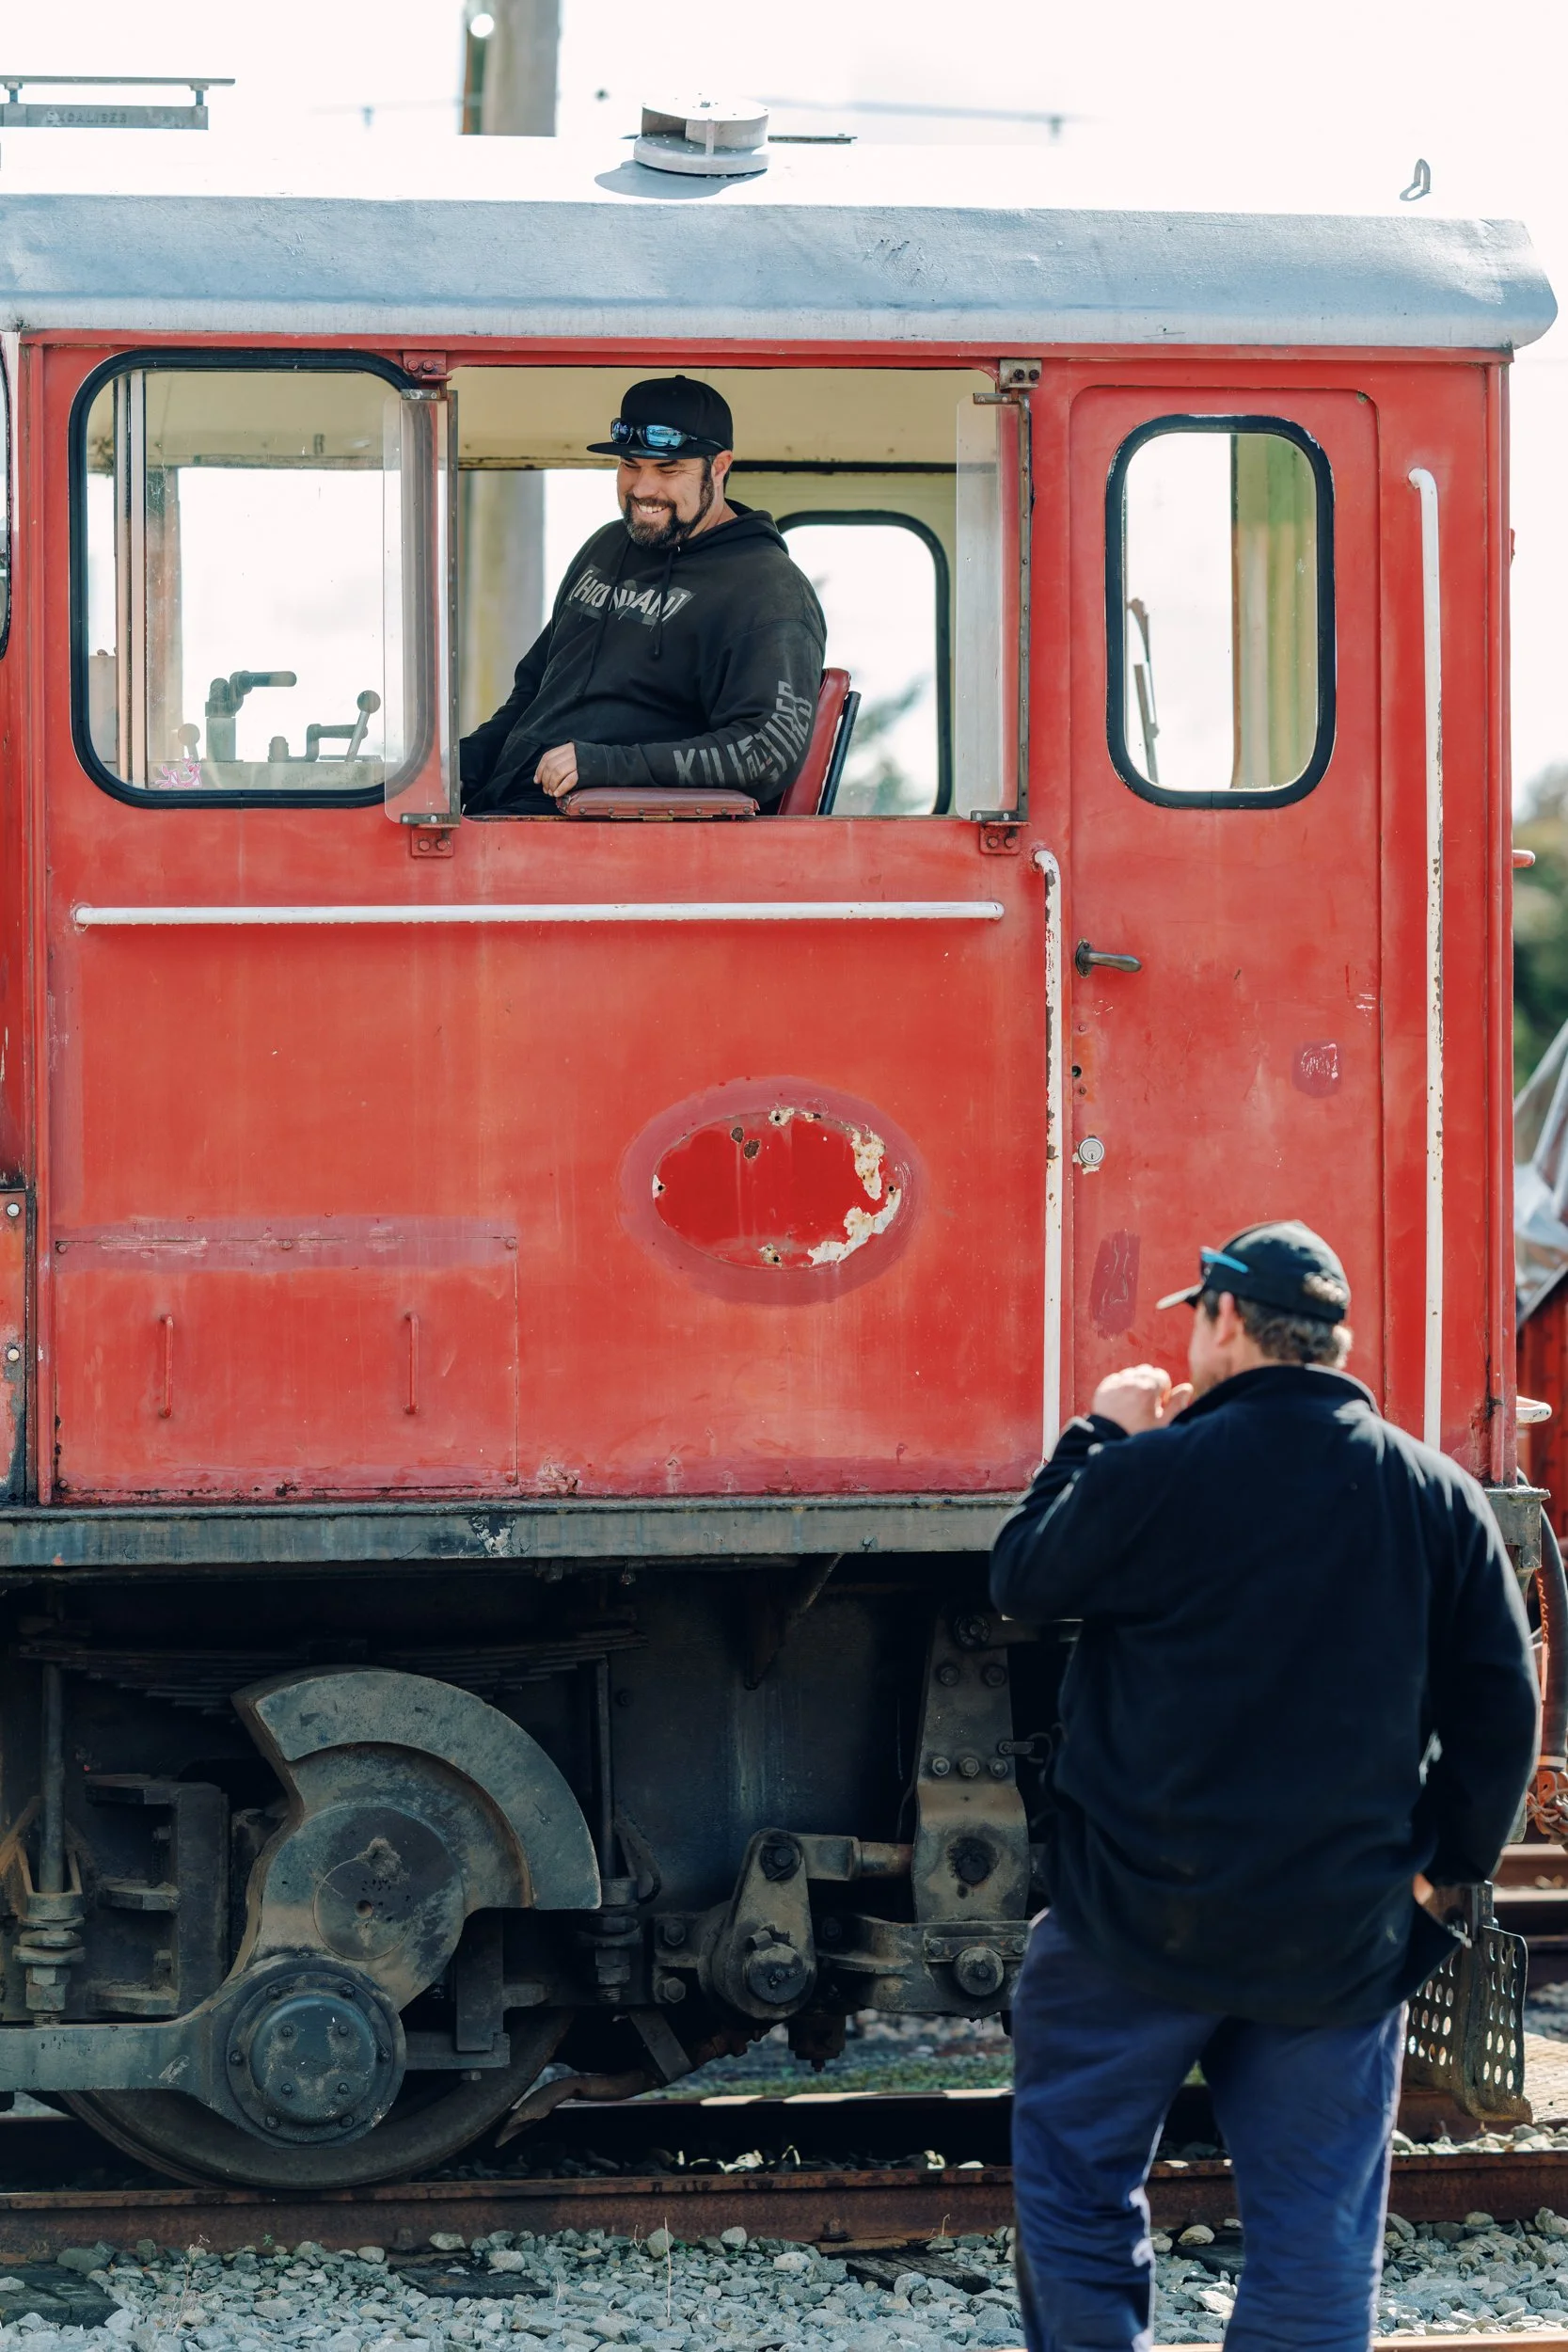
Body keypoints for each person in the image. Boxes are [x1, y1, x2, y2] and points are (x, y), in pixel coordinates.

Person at [990, 1220, 1540, 2352]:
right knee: (1313, 2248)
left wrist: (1096, 1431)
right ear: (1329, 1342)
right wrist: (1440, 1883)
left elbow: (1022, 1579)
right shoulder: (1436, 1498)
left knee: (1078, 2207)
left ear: (1224, 1321)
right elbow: (1502, 1714)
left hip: (1131, 1921)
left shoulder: (1150, 1471)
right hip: (1335, 1937)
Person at [461, 376, 826, 815]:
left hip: (612, 832)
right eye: (631, 465)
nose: (643, 488)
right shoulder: (606, 548)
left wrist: (608, 766)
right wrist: (453, 768)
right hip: (505, 808)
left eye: (669, 469)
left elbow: (765, 753)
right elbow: (531, 697)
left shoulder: (768, 590)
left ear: (719, 465)